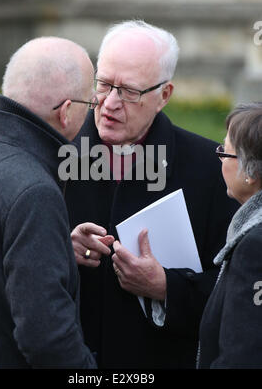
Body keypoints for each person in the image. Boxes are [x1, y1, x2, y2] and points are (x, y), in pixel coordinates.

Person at [64, 20, 239, 368]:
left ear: (164, 95)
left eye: (129, 91)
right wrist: (59, 247)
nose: (109, 103)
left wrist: (166, 287)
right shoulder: (54, 152)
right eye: (104, 84)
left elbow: (237, 291)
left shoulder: (215, 169)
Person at [0, 36, 97, 368]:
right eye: (90, 105)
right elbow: (47, 340)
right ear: (66, 112)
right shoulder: (34, 192)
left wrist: (53, 251)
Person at [198, 102, 262, 369]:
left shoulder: (254, 248)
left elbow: (241, 354)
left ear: (250, 173)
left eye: (226, 152)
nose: (220, 159)